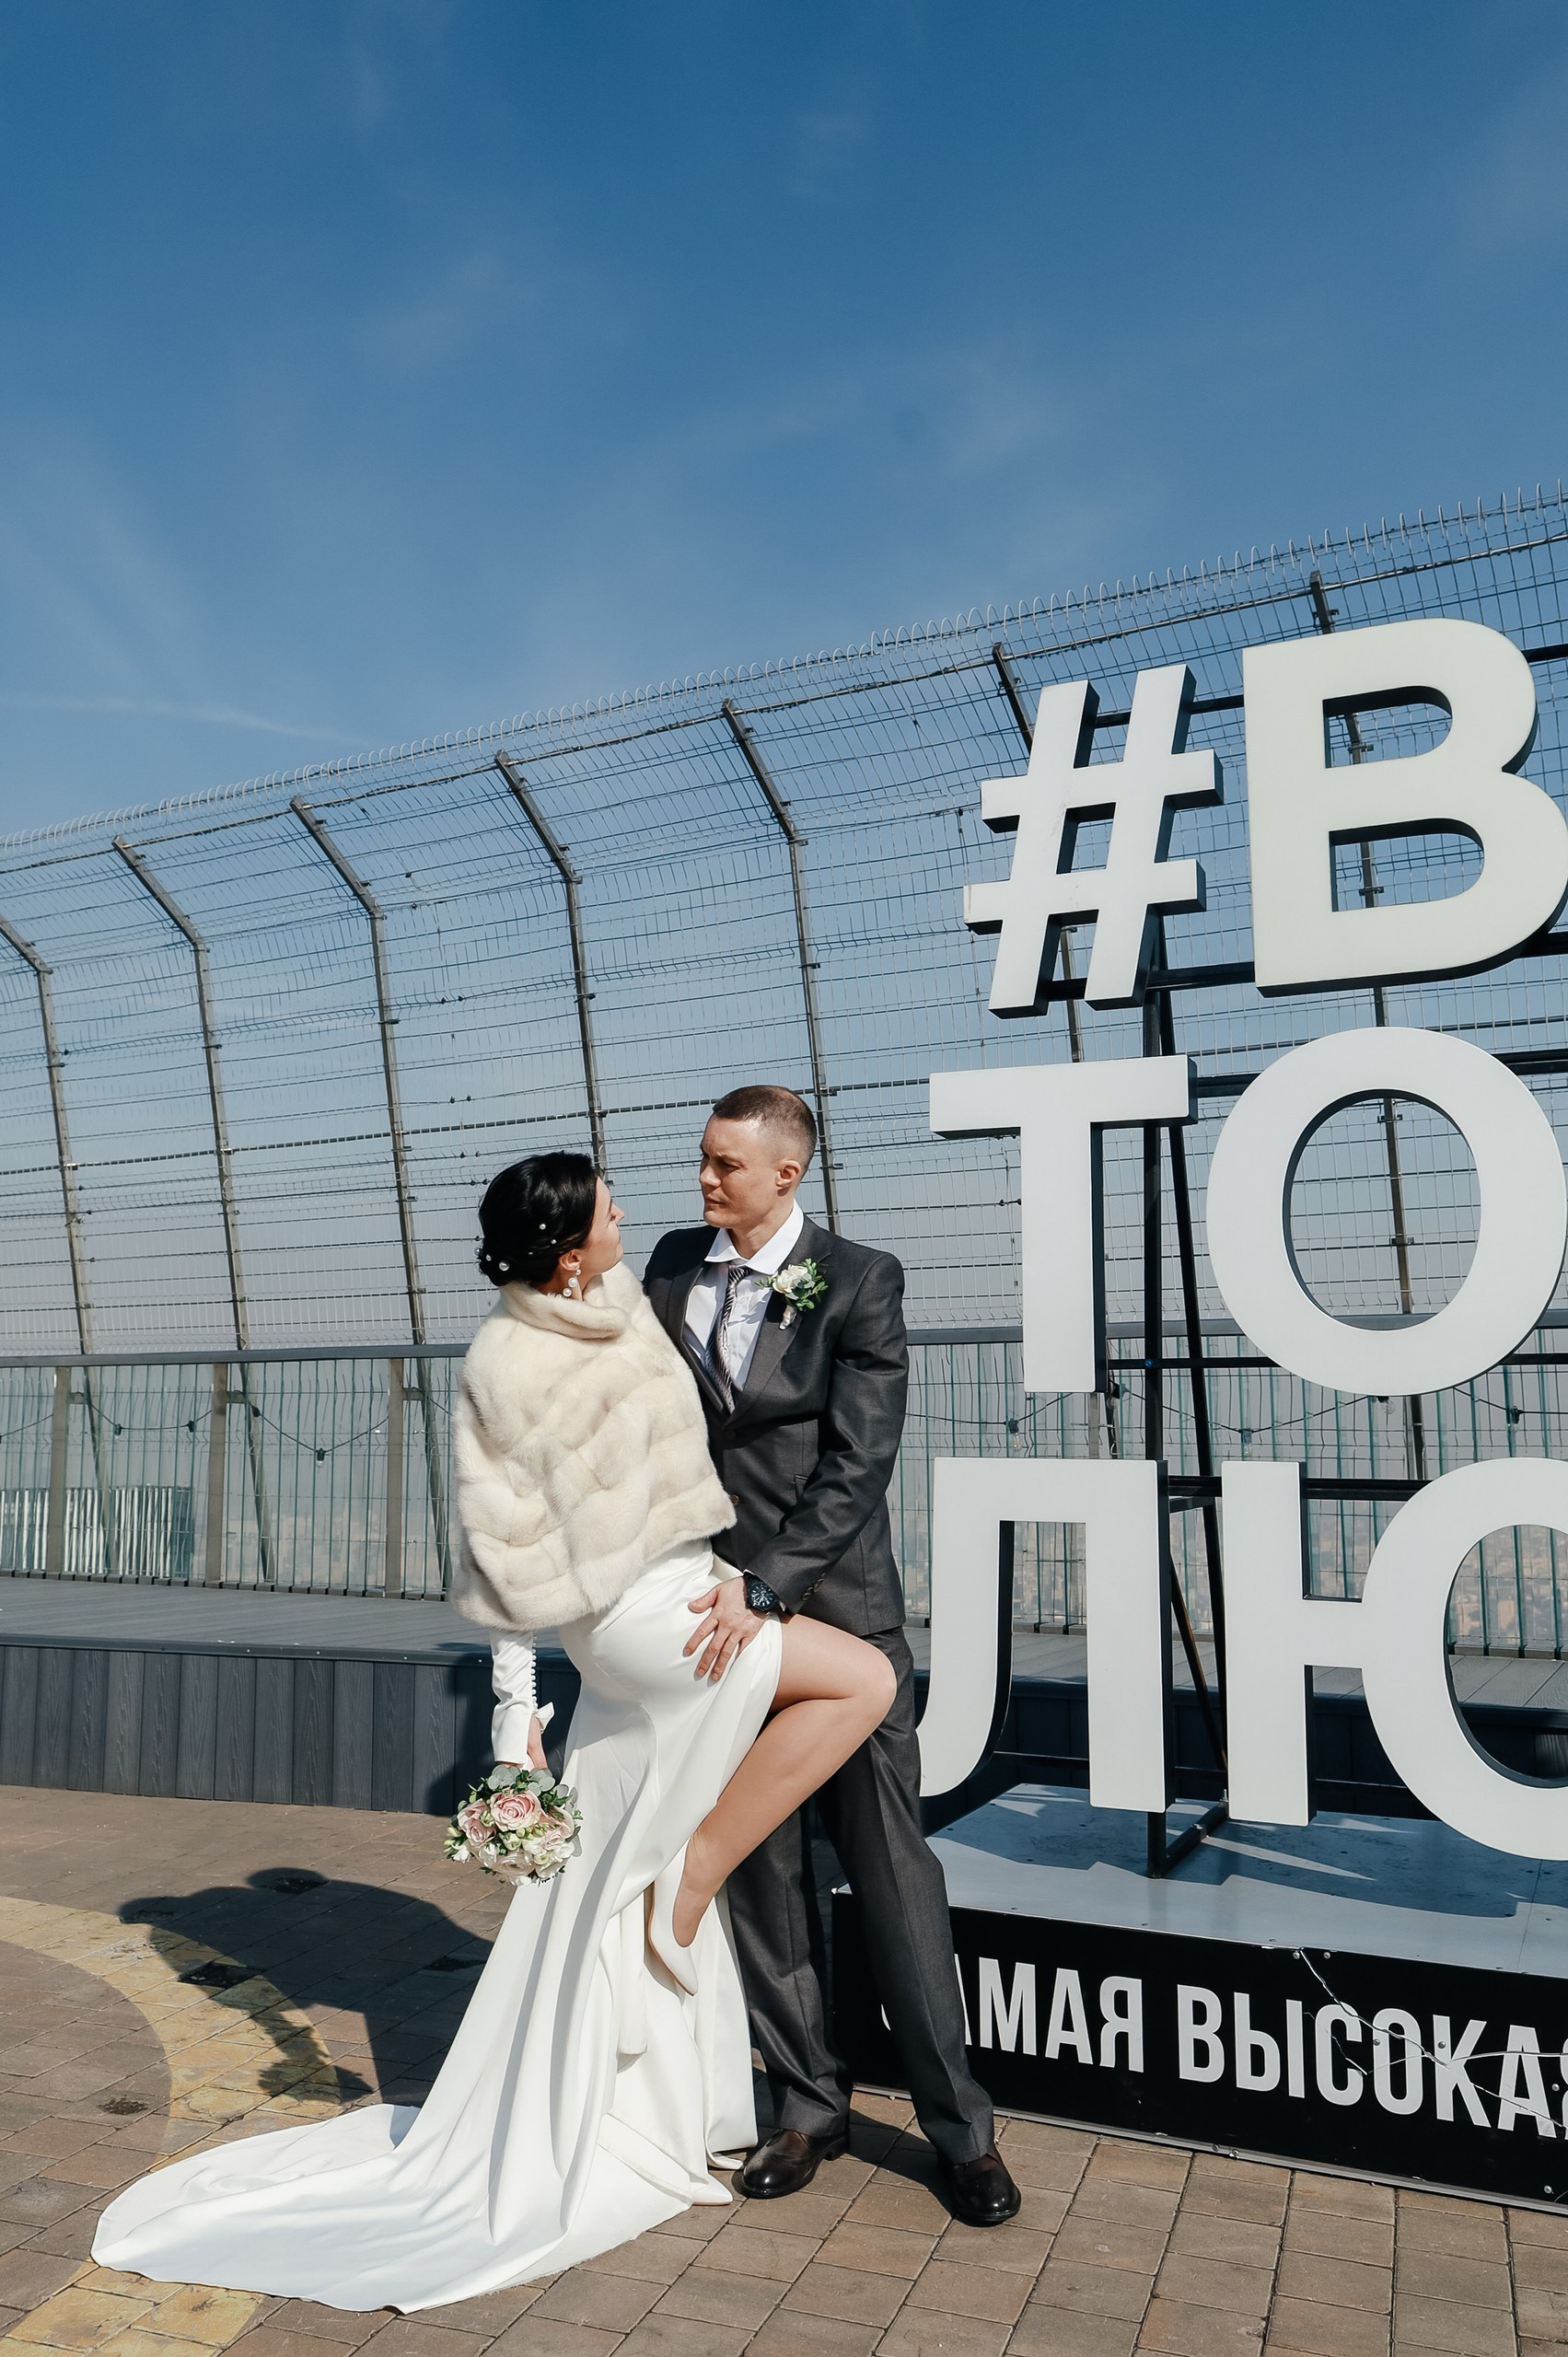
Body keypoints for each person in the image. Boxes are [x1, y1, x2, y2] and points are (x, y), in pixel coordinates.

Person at [92, 1151, 895, 2312]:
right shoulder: (506, 1362)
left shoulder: (622, 1298)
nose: (630, 1209)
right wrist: (516, 1723)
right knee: (862, 1681)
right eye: (607, 1206)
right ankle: (691, 1877)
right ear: (568, 1248)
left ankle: (639, 2053)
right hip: (655, 1617)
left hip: (668, 1599)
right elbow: (499, 1556)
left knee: (602, 1855)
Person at [645, 1085, 1020, 2227]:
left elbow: (859, 1463)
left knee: (893, 1872)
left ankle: (961, 2130)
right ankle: (807, 2105)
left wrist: (769, 1585)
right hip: (712, 1617)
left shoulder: (859, 1280)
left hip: (834, 1618)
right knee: (760, 1870)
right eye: (702, 1159)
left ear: (786, 1173)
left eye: (724, 1164)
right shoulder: (668, 1265)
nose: (703, 1179)